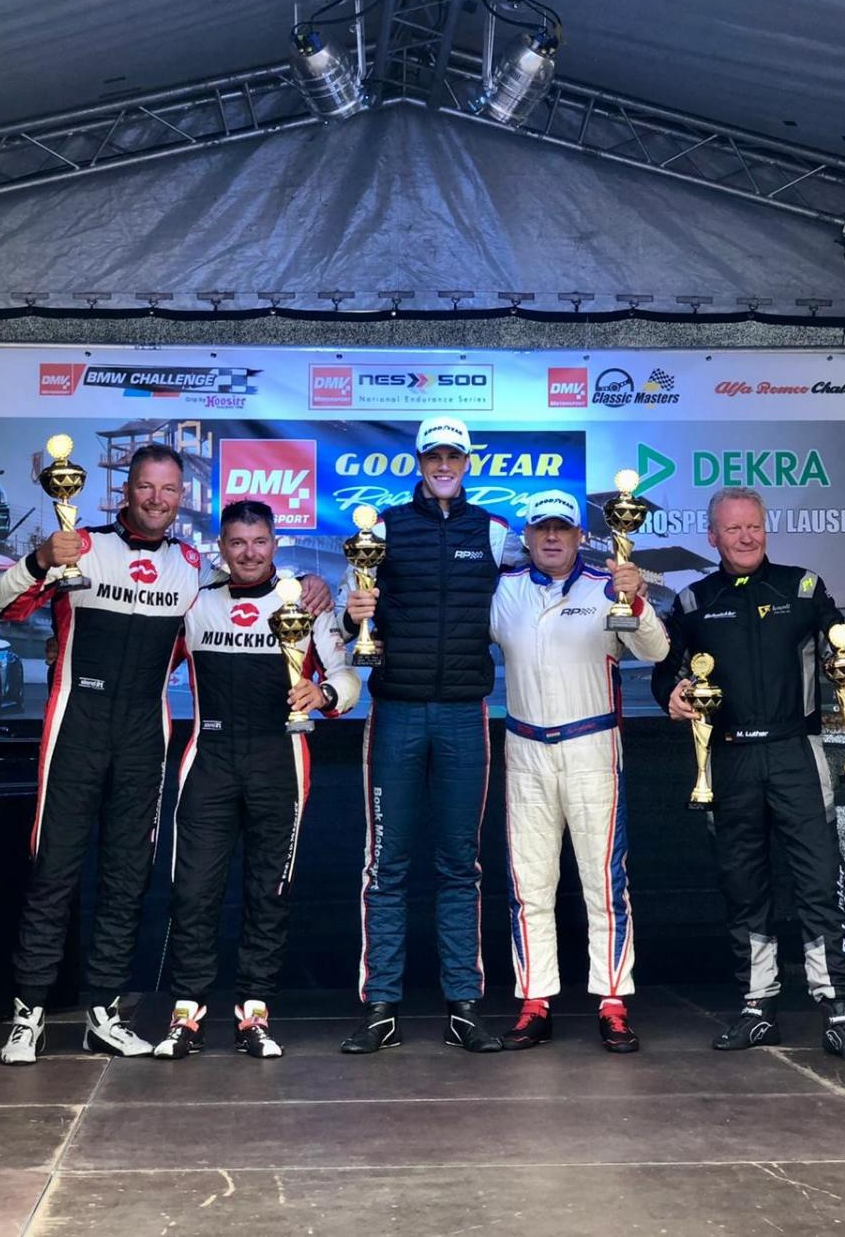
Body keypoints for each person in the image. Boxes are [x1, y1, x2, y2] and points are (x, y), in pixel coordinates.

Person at [651, 485, 845, 1064]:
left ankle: (838, 1010)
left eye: (753, 526)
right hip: (729, 758)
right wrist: (672, 695)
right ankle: (758, 1007)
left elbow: (843, 648)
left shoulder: (801, 587)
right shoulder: (694, 600)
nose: (746, 536)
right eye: (733, 528)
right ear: (713, 536)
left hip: (796, 751)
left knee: (818, 882)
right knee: (743, 886)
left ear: (766, 528)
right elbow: (665, 671)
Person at [0, 444, 203, 1064]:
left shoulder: (192, 567)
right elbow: (4, 605)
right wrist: (39, 559)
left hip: (144, 730)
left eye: (168, 489)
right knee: (54, 871)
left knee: (126, 876)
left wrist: (314, 589)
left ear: (181, 498)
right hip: (77, 722)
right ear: (126, 490)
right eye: (146, 487)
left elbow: (235, 619)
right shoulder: (78, 544)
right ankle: (28, 1015)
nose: (157, 499)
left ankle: (103, 1013)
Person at [340, 415, 524, 1055]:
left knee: (459, 866)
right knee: (386, 866)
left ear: (468, 463)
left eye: (454, 456)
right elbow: (350, 617)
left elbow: (533, 594)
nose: (444, 466)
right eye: (433, 456)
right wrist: (350, 614)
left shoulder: (494, 532)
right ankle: (380, 1008)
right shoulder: (383, 529)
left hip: (464, 715)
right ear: (418, 463)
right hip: (395, 711)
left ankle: (464, 1007)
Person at [153, 499, 359, 1060]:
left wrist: (323, 693)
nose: (249, 553)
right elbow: (148, 659)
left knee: (268, 894)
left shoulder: (304, 604)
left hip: (279, 761)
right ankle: (187, 1014)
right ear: (221, 547)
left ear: (275, 544)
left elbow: (346, 678)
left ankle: (255, 1014)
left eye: (259, 542)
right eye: (238, 543)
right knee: (193, 892)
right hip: (209, 759)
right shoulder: (196, 601)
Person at [491, 489, 669, 1053]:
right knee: (529, 885)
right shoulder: (503, 590)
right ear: (526, 536)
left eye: (562, 528)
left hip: (592, 745)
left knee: (604, 883)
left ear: (578, 536)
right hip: (525, 748)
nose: (551, 537)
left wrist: (634, 601)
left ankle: (613, 1003)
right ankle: (534, 1002)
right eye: (541, 528)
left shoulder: (606, 585)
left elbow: (657, 651)